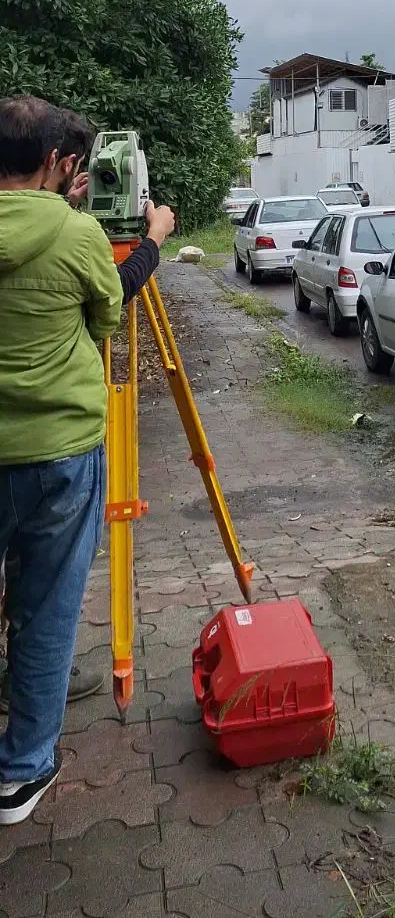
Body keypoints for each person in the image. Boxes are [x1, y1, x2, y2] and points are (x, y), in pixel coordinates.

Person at [0, 96, 170, 824]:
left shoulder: (65, 223)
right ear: (58, 161)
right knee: (45, 611)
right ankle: (22, 770)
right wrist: (152, 241)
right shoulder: (76, 236)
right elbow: (108, 313)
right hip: (58, 453)